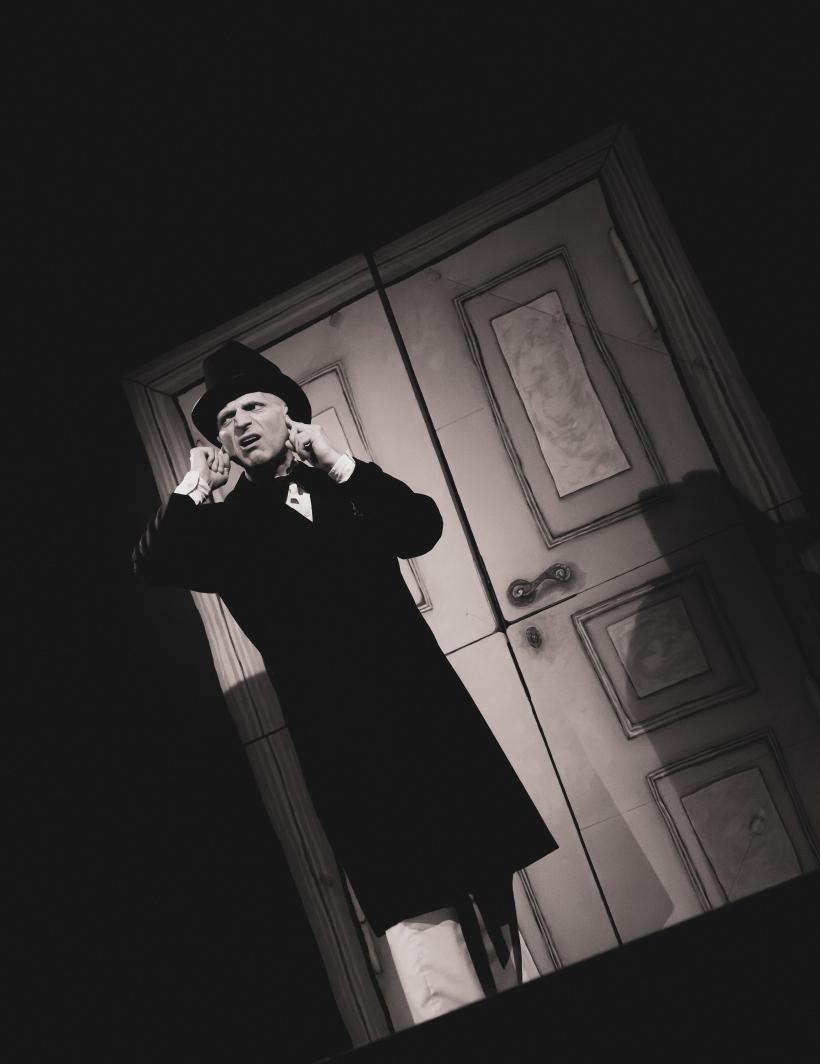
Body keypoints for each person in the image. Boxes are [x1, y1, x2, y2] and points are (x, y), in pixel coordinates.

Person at [133, 339, 558, 1024]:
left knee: (485, 875)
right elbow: (153, 563)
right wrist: (193, 488)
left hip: (426, 712)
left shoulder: (346, 489)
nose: (238, 423)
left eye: (252, 406)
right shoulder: (223, 528)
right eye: (225, 420)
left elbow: (419, 528)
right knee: (413, 904)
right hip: (341, 737)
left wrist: (340, 463)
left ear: (289, 416)